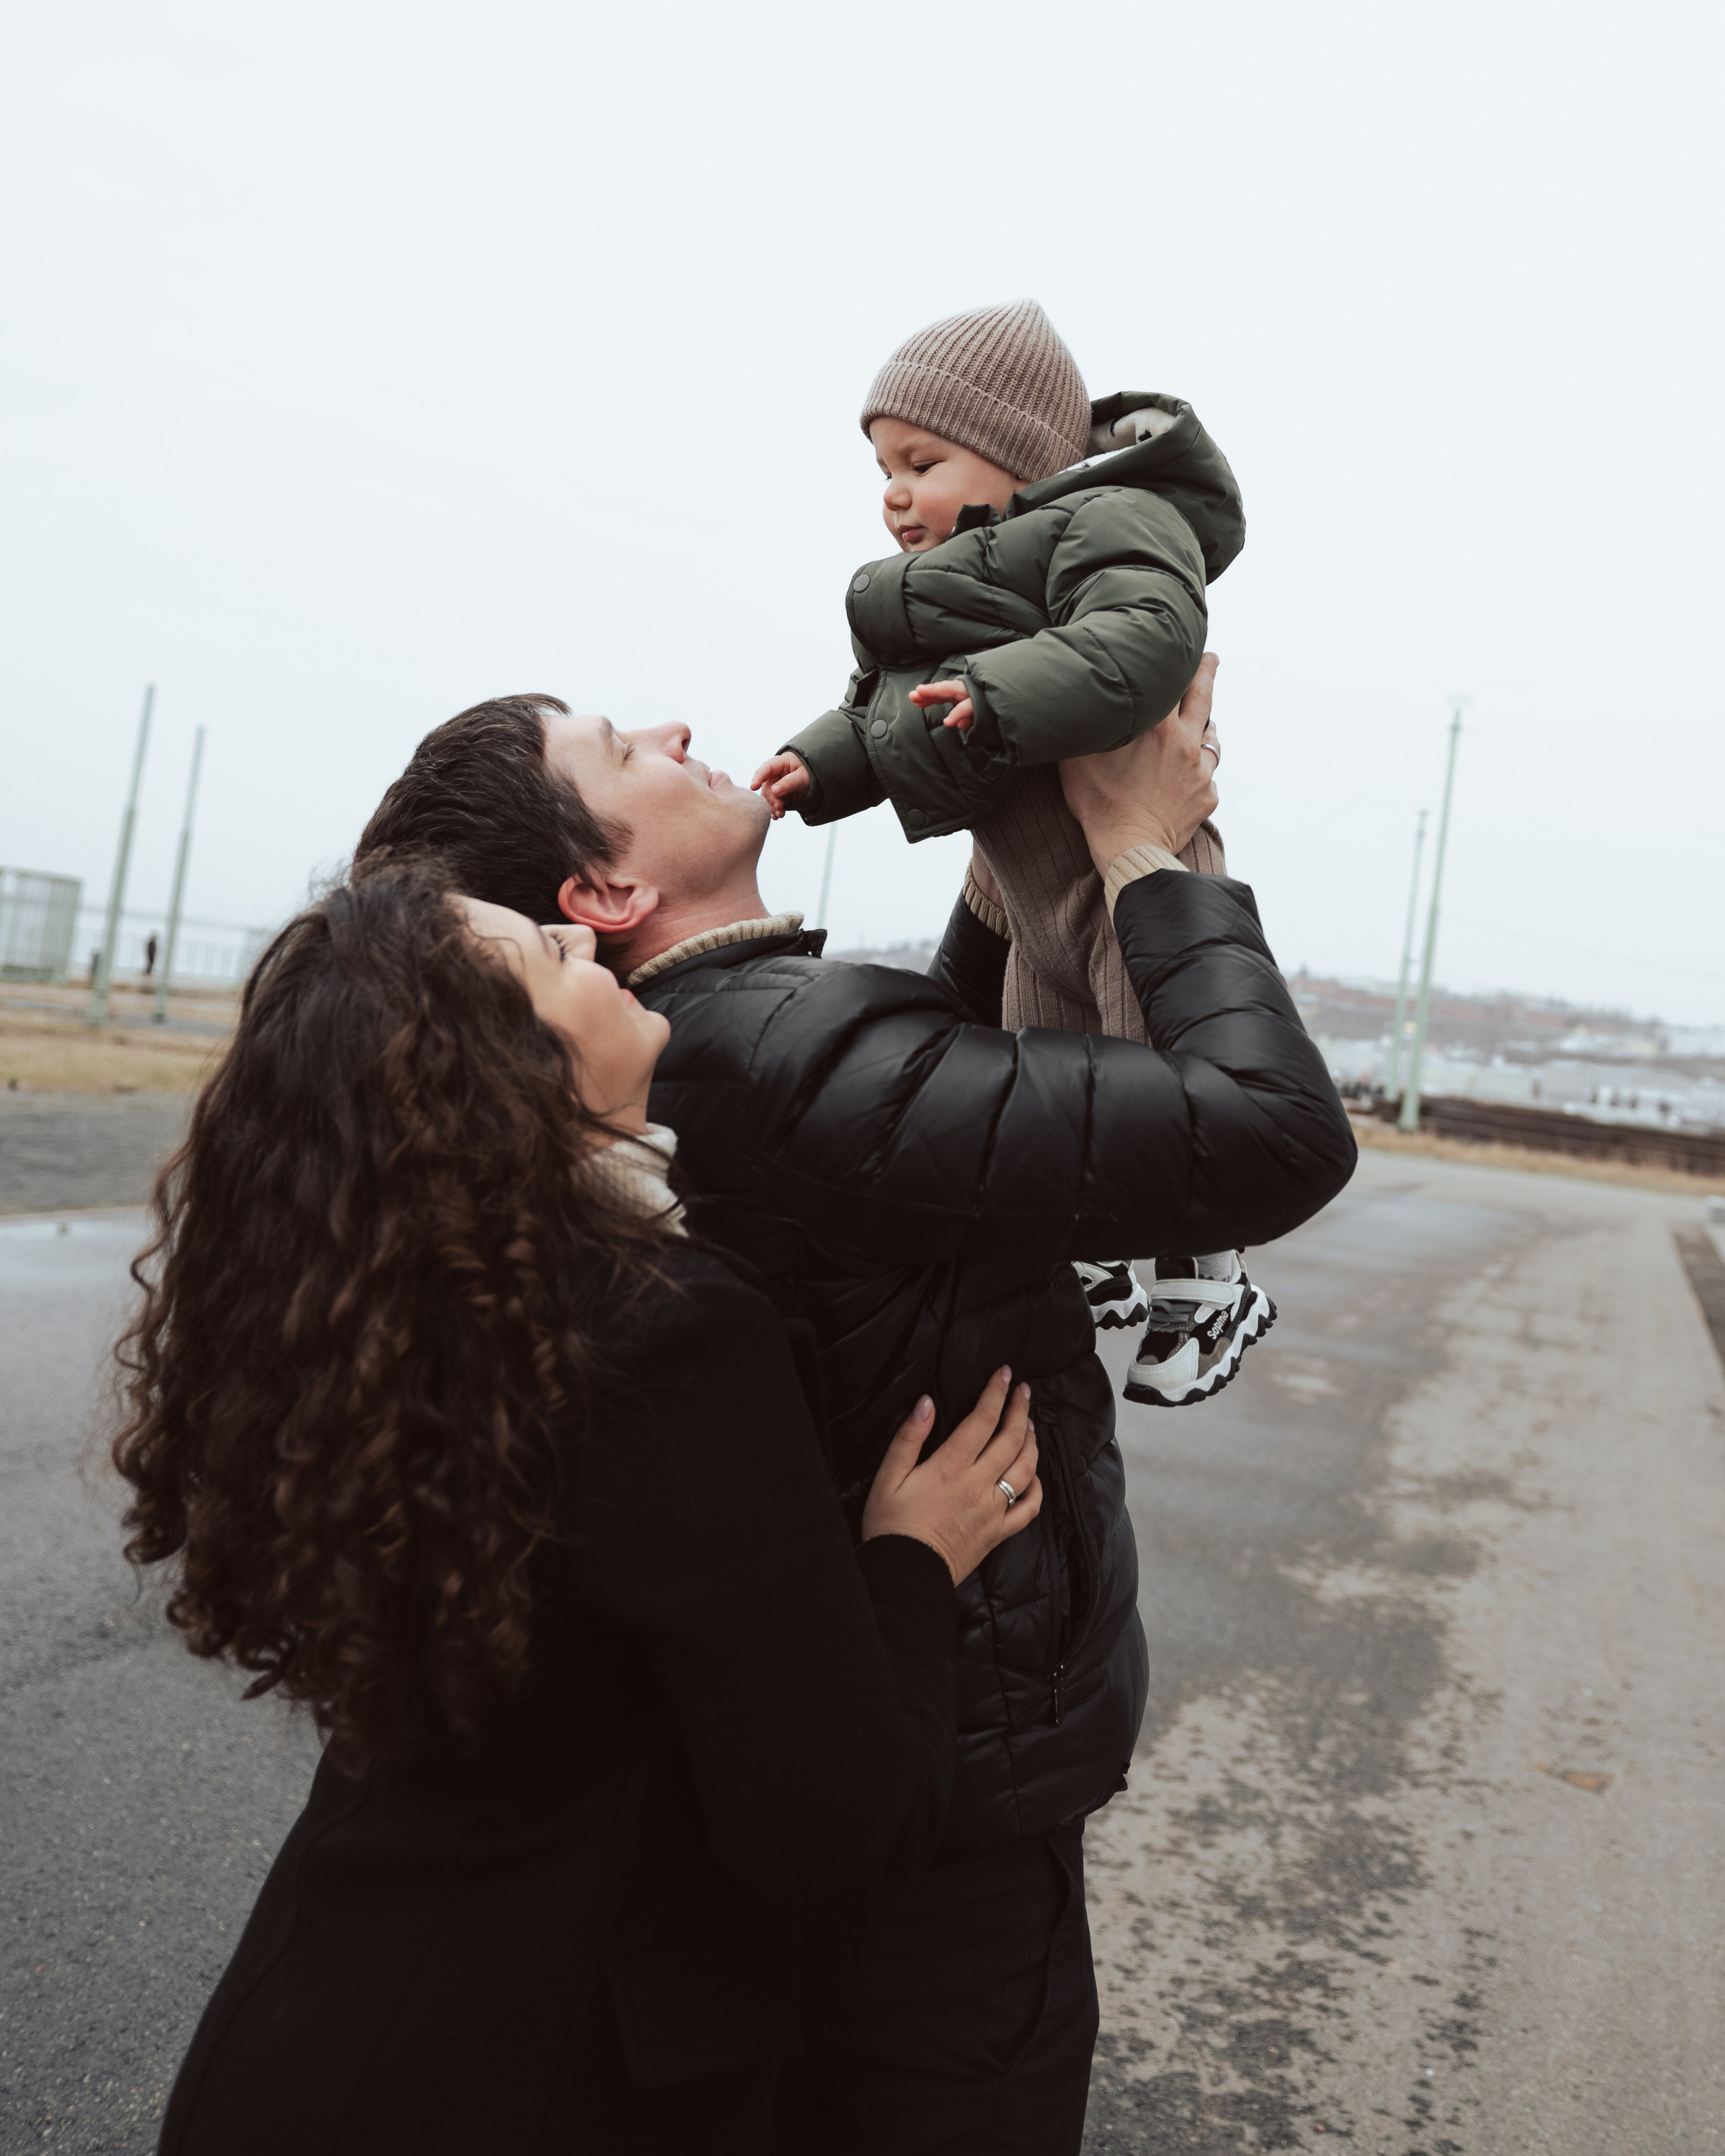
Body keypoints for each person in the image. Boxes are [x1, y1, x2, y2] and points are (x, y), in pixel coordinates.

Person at [352, 670, 1356, 2152]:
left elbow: (927, 1110)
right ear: (603, 888)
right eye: (626, 749)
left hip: (839, 1751)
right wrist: (1145, 856)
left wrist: (1006, 874)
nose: (680, 731)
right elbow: (1271, 1135)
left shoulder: (704, 1049)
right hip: (944, 1790)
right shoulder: (775, 1051)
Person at [113, 857, 1044, 2155]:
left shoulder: (410, 1317)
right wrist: (909, 1556)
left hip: (311, 2036)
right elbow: (837, 1835)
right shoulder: (659, 1334)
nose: (570, 932)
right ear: (499, 1081)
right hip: (529, 2083)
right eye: (539, 956)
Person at [751, 299, 1268, 1410]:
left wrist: (995, 692)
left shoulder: (1113, 519)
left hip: (1131, 869)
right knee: (1054, 1067)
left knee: (1158, 1064)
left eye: (920, 460)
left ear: (1023, 453)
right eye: (882, 468)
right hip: (1033, 889)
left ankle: (1211, 1270)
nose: (892, 492)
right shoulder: (966, 584)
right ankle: (1092, 1255)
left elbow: (1145, 637)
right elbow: (894, 709)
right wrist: (822, 766)